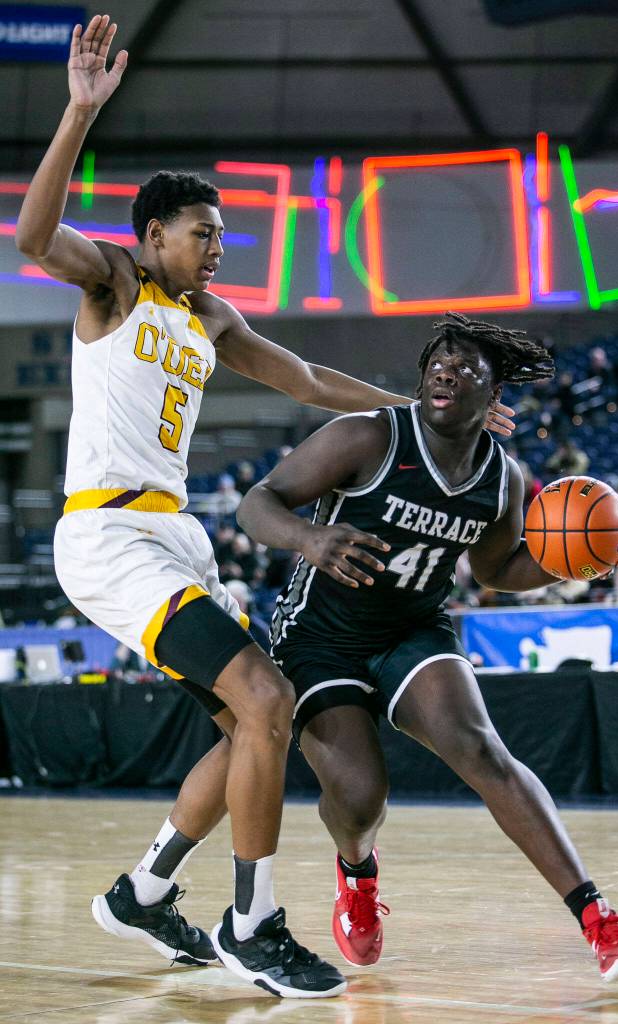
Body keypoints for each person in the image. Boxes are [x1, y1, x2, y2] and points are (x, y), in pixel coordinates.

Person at [15, 15, 515, 998]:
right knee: (268, 700)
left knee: (251, 730)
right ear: (152, 235)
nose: (217, 248)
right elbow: (35, 237)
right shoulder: (115, 285)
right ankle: (253, 922)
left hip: (174, 532)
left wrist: (413, 408)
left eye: (222, 236)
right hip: (109, 533)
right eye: (203, 234)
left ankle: (145, 891)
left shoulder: (210, 316)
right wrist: (78, 113)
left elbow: (306, 377)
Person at [238, 312, 618, 984]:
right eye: (438, 361)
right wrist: (308, 540)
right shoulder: (368, 437)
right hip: (322, 638)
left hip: (413, 627)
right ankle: (356, 875)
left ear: (495, 396)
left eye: (465, 366)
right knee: (363, 795)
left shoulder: (504, 478)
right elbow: (258, 503)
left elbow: (494, 571)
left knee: (484, 751)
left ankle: (598, 920)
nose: (446, 370)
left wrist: (566, 563)